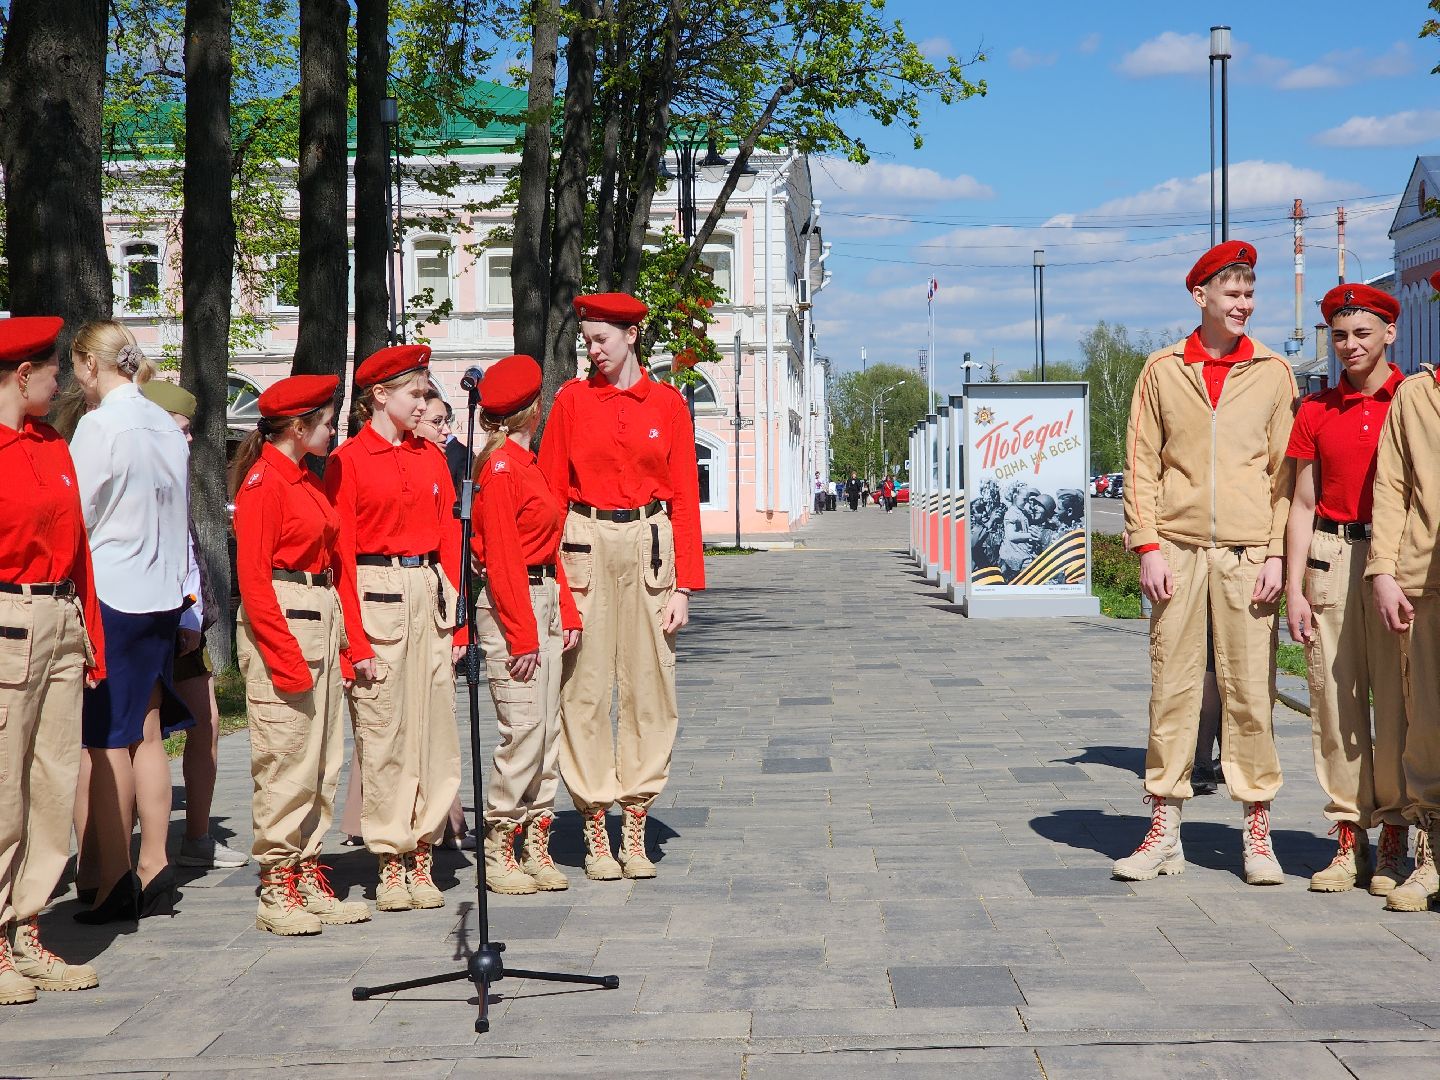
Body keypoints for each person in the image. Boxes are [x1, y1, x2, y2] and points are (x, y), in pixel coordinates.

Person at [1115, 240, 1296, 887]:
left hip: (1249, 556)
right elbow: (1140, 464)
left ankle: (1257, 832)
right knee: (1174, 690)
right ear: (1201, 297)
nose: (1243, 303)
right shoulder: (1163, 370)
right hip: (1179, 554)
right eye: (1232, 292)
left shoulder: (1274, 372)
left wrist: (1277, 554)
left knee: (1251, 692)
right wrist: (1147, 544)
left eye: (1250, 293)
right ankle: (1164, 828)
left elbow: (1284, 476)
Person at [538, 292, 704, 880]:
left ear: (631, 336)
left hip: (650, 548)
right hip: (584, 544)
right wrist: (555, 584)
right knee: (583, 690)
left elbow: (684, 496)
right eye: (586, 339)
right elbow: (550, 497)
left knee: (650, 687)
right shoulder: (571, 402)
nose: (593, 349)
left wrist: (685, 586)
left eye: (601, 338)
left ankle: (634, 820)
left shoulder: (668, 405)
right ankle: (592, 824)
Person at [231, 374, 371, 935]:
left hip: (317, 614)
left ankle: (307, 868)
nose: (333, 427)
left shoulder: (305, 481)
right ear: (297, 426)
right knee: (285, 758)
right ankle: (277, 882)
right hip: (287, 620)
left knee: (320, 761)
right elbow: (254, 579)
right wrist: (284, 656)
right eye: (325, 419)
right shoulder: (266, 483)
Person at [326, 344, 462, 912]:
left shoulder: (429, 456)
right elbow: (342, 555)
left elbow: (449, 536)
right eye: (416, 394)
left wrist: (457, 625)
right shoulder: (349, 460)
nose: (424, 403)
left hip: (427, 596)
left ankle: (423, 851)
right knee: (383, 734)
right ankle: (389, 856)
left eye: (427, 394)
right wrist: (354, 641)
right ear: (379, 395)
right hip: (376, 595)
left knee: (434, 733)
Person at [1286, 284, 1409, 897]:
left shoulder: (1412, 401)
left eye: (1363, 333)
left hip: (1394, 564)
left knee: (1394, 703)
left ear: (1390, 333)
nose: (1350, 346)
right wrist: (1294, 588)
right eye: (1340, 335)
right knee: (1335, 702)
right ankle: (1346, 836)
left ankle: (1394, 832)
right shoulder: (1315, 410)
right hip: (1332, 556)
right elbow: (1302, 502)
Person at [69, 322, 192, 923]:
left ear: (91, 366)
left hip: (114, 590)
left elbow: (77, 513)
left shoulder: (101, 425)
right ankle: (155, 862)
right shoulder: (165, 425)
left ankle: (113, 876)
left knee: (106, 737)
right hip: (161, 590)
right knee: (145, 729)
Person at [0, 317, 105, 1004]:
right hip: (8, 617)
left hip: (62, 616)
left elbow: (80, 551)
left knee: (51, 776)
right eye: (48, 369)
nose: (59, 380)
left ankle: (27, 925)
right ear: (19, 376)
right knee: (4, 781)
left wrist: (89, 634)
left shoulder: (50, 444)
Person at [469, 355, 582, 893]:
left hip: (542, 599)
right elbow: (504, 560)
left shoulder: (524, 463)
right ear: (532, 409)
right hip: (515, 606)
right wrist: (521, 634)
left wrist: (566, 610)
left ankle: (535, 838)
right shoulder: (501, 469)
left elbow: (547, 548)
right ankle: (500, 846)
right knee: (523, 732)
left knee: (547, 732)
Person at [139, 380, 249, 871]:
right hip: (140, 616)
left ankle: (198, 837)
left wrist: (191, 612)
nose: (188, 441)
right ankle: (119, 851)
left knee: (205, 721)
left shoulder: (174, 472)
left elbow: (185, 548)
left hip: (183, 616)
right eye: (181, 430)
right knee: (137, 736)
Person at [1368, 270, 1440, 912]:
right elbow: (1391, 489)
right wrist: (1384, 571)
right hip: (1426, 582)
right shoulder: (1416, 395)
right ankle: (1432, 854)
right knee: (1429, 725)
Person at [414, 383, 472, 852]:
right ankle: (432, 825)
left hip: (437, 596)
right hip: (398, 601)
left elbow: (454, 539)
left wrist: (459, 621)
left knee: (438, 719)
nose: (444, 430)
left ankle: (448, 818)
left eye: (443, 421)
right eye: (436, 421)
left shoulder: (449, 459)